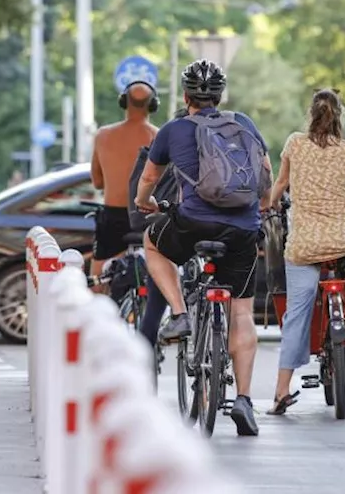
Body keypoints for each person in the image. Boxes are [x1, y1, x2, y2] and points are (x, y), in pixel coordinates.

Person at [135, 59, 271, 436]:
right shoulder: (242, 123)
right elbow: (266, 172)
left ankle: (180, 313)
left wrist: (143, 200)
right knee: (241, 312)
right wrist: (262, 207)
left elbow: (150, 176)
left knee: (153, 244)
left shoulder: (174, 128)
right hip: (243, 228)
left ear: (185, 96)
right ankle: (243, 400)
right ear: (220, 96)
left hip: (193, 223)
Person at [265, 89, 345, 416]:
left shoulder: (294, 143)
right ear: (339, 116)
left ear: (310, 114)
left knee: (296, 314)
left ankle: (281, 391)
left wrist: (271, 205)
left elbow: (281, 184)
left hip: (305, 244)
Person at [89, 81, 159, 282]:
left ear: (123, 102)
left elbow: (97, 182)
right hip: (146, 216)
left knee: (98, 274)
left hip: (113, 215)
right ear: (153, 105)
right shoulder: (158, 136)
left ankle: (99, 307)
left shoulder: (103, 136)